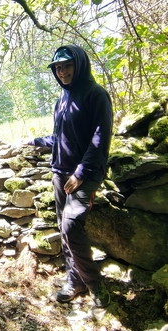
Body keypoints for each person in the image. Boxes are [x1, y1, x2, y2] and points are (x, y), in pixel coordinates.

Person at [27, 45, 113, 308]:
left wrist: (81, 172)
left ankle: (94, 285)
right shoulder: (62, 99)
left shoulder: (95, 95)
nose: (62, 72)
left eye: (66, 66)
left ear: (79, 64)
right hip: (60, 172)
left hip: (84, 175)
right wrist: (36, 141)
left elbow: (100, 139)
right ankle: (74, 281)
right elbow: (61, 137)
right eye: (57, 68)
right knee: (65, 234)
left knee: (71, 225)